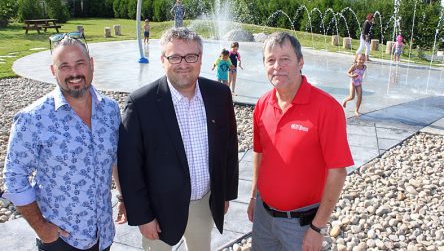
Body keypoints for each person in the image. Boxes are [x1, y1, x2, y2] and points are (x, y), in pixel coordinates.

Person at [117, 27, 239, 251]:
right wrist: (143, 216)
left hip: (204, 201)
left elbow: (229, 147)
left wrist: (226, 194)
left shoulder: (219, 95)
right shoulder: (141, 103)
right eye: (175, 57)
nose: (183, 63)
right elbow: (130, 167)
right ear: (163, 59)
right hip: (159, 209)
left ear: (200, 58)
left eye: (191, 56)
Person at [2, 35, 126, 251]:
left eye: (80, 63)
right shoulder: (34, 118)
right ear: (53, 71)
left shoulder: (110, 110)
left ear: (91, 64)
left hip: (103, 233)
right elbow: (14, 177)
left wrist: (123, 197)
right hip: (62, 240)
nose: (74, 73)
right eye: (64, 66)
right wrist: (41, 228)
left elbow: (114, 158)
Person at [247, 32, 354, 251]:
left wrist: (317, 228)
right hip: (263, 217)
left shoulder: (326, 108)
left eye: (285, 59)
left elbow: (338, 171)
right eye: (271, 60)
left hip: (301, 225)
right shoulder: (262, 104)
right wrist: (253, 197)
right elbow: (259, 153)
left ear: (300, 62)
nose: (277, 66)